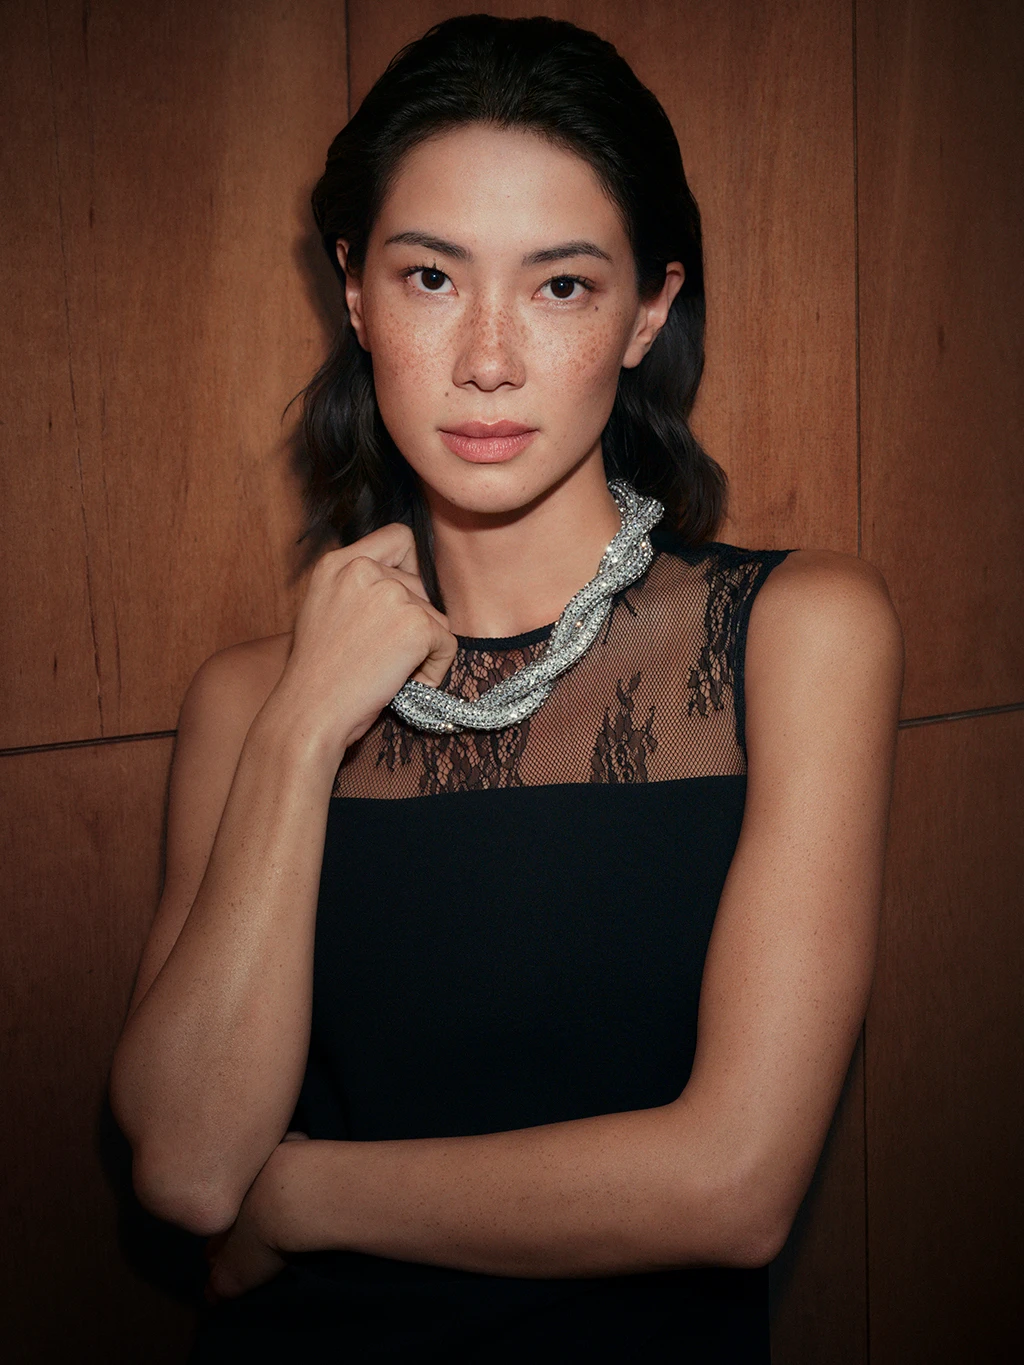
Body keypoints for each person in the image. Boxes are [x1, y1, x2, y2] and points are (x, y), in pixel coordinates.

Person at [109, 14, 903, 1362]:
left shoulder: (797, 634)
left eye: (560, 287)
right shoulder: (249, 698)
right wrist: (307, 722)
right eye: (430, 278)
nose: (485, 357)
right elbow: (188, 1168)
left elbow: (734, 1186)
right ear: (355, 291)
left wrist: (295, 1194)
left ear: (649, 308)